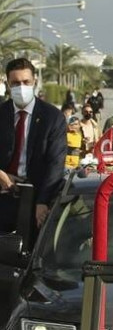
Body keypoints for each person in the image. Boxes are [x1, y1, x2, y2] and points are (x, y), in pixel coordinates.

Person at [0, 58, 67, 232]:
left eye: (26, 82)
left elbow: (56, 164)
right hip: (4, 193)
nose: (21, 87)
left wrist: (43, 201)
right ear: (7, 84)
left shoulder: (52, 117)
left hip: (37, 198)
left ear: (34, 81)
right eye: (15, 83)